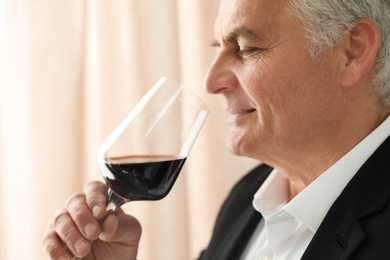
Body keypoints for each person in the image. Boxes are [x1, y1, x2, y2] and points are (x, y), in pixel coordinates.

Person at [42, 0, 390, 259]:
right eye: (218, 48)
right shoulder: (246, 199)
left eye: (245, 48)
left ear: (352, 51)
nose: (211, 82)